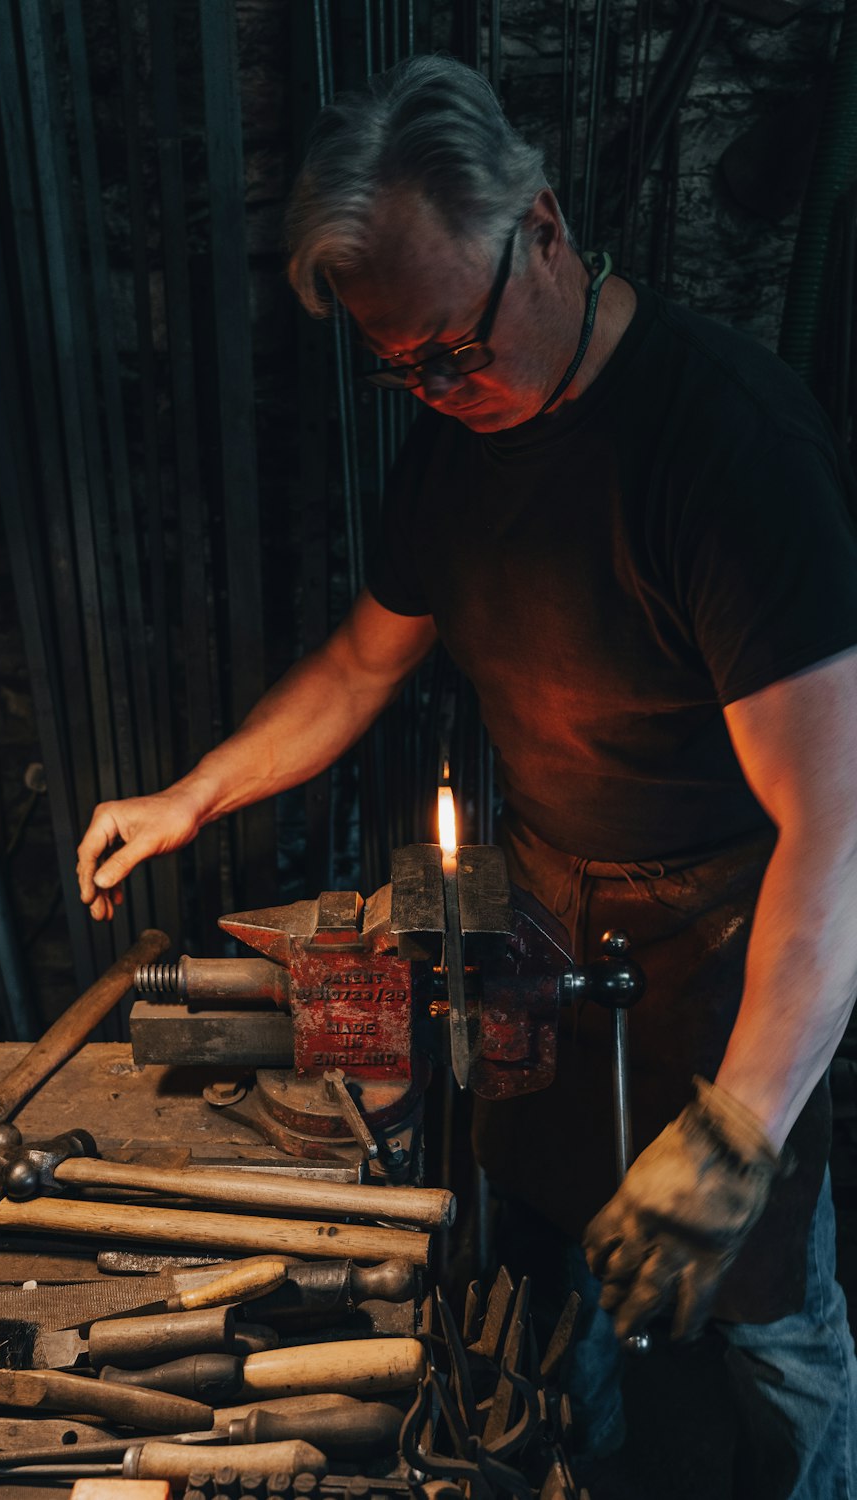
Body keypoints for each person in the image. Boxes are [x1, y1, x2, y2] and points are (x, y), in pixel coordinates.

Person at [76, 55, 857, 1496]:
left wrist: (743, 1125)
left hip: (736, 945)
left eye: (456, 345)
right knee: (550, 1258)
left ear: (543, 227)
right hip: (545, 920)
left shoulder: (731, 451)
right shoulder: (452, 442)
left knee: (768, 1311)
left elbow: (837, 830)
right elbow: (362, 667)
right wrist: (192, 796)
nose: (441, 387)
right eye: (403, 367)